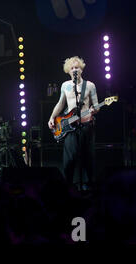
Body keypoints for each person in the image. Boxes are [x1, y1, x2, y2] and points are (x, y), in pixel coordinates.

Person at [47, 56, 99, 188]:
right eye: (72, 68)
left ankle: (90, 187)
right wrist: (52, 117)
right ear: (68, 71)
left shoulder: (90, 85)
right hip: (70, 126)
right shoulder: (65, 85)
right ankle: (68, 186)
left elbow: (96, 105)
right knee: (69, 159)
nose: (75, 70)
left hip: (87, 125)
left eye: (77, 67)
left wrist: (94, 110)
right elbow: (60, 103)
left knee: (88, 158)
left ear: (81, 69)